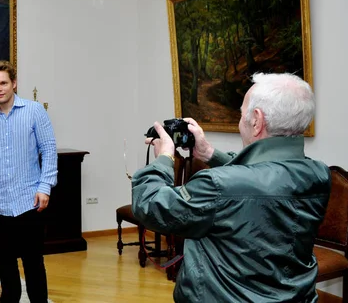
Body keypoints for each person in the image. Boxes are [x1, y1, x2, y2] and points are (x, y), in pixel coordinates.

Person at [131, 72, 331, 303]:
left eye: (241, 113)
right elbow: (263, 181)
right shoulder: (319, 175)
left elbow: (150, 205)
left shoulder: (218, 185)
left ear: (256, 120)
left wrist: (164, 158)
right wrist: (210, 154)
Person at [0, 60, 57, 303]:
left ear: (14, 83)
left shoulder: (34, 111)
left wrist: (45, 187)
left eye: (3, 83)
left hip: (30, 201)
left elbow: (49, 149)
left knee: (34, 265)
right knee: (6, 268)